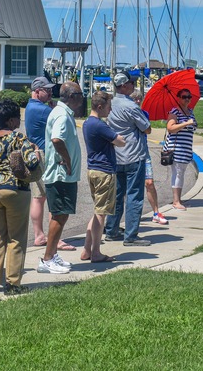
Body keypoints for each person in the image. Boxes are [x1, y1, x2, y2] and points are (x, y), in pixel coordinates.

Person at [0, 100, 41, 295]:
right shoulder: (18, 139)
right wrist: (37, 153)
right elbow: (31, 163)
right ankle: (13, 283)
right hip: (14, 189)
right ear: (12, 120)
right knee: (16, 237)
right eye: (18, 119)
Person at [25, 76, 76, 251]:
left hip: (36, 154)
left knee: (39, 197)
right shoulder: (43, 110)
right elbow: (60, 117)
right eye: (46, 90)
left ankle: (39, 234)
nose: (50, 93)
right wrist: (56, 107)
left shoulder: (31, 107)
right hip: (46, 155)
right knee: (52, 197)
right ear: (37, 90)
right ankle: (55, 237)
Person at [38, 82, 84, 274]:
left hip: (62, 174)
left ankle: (53, 254)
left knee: (61, 214)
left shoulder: (61, 112)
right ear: (73, 96)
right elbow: (57, 139)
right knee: (59, 215)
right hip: (60, 174)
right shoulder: (62, 115)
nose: (83, 97)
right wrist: (67, 159)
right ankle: (47, 259)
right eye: (81, 94)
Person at [105, 72, 153, 246]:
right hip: (134, 155)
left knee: (116, 196)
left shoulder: (110, 103)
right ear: (124, 85)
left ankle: (111, 230)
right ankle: (131, 236)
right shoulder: (131, 106)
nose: (134, 86)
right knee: (134, 196)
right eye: (131, 83)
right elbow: (147, 129)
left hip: (116, 156)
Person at [82, 91, 126, 263]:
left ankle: (87, 249)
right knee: (102, 213)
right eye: (109, 107)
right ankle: (96, 252)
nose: (110, 110)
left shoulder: (87, 123)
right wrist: (118, 136)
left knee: (97, 210)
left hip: (93, 170)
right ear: (100, 107)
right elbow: (120, 141)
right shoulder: (99, 125)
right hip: (104, 172)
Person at [130, 89, 168, 224]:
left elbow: (147, 129)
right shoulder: (126, 114)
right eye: (135, 99)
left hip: (144, 152)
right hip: (130, 154)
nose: (138, 101)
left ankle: (156, 212)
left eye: (140, 98)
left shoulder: (144, 114)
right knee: (130, 186)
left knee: (149, 183)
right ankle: (130, 215)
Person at [166, 88, 198, 211]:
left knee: (181, 173)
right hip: (177, 148)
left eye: (189, 97)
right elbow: (170, 128)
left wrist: (191, 123)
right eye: (184, 97)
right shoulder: (174, 111)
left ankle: (178, 198)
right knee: (178, 173)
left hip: (186, 148)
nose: (187, 99)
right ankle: (176, 201)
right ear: (178, 98)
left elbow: (192, 127)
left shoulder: (190, 112)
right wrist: (186, 123)